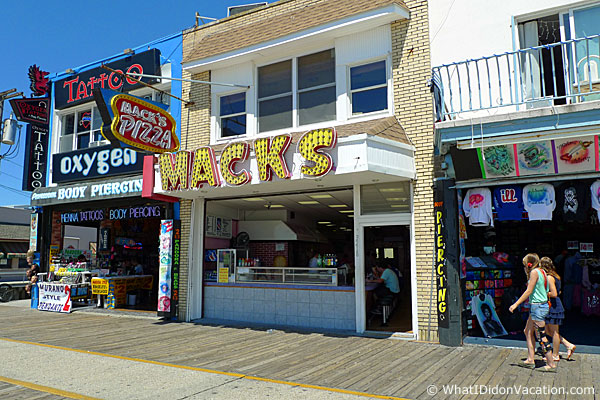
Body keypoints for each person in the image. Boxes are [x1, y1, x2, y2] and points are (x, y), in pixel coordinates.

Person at [509, 253, 557, 371]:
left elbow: (528, 291)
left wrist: (516, 304)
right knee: (527, 331)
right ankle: (530, 359)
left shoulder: (534, 272)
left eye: (525, 264)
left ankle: (551, 364)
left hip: (537, 307)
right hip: (539, 306)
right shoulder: (542, 271)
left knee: (541, 336)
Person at [540, 257, 577, 361]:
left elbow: (554, 293)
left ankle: (555, 355)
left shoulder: (549, 277)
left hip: (553, 306)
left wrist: (542, 294)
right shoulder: (556, 276)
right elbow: (558, 291)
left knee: (554, 332)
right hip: (553, 305)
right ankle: (567, 344)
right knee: (548, 330)